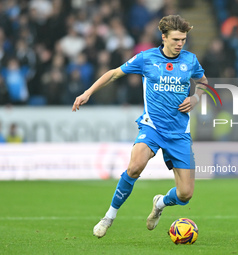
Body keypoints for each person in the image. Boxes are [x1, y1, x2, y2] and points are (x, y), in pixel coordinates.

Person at [72, 15, 207, 238]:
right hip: (152, 127)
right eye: (175, 39)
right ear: (163, 37)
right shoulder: (147, 58)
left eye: (183, 39)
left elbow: (204, 83)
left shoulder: (190, 61)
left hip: (179, 133)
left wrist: (195, 98)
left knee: (185, 195)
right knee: (135, 166)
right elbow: (114, 74)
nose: (180, 43)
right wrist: (87, 92)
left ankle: (161, 202)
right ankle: (109, 217)